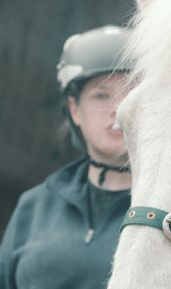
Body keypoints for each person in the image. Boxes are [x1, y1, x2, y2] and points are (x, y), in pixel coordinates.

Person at [0, 26, 133, 288]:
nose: (117, 109)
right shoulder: (36, 205)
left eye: (131, 93)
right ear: (75, 110)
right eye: (101, 95)